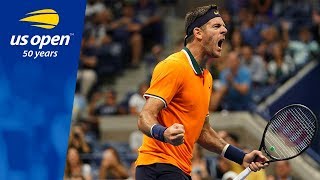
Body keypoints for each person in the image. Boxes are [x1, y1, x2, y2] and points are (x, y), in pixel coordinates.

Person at [135, 4, 268, 180]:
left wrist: (241, 156)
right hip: (157, 166)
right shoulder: (174, 66)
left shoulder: (207, 78)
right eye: (216, 26)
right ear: (198, 33)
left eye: (224, 26)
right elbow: (144, 116)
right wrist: (164, 133)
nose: (225, 30)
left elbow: (202, 132)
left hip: (179, 169)